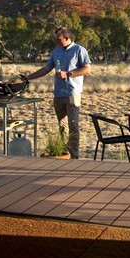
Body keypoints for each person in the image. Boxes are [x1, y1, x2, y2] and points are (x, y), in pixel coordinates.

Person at [25, 27, 92, 159]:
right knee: (62, 125)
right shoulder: (56, 52)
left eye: (59, 39)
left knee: (73, 125)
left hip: (73, 93)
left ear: (67, 38)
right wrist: (28, 77)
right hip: (58, 94)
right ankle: (63, 152)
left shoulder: (79, 50)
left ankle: (74, 155)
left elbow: (87, 70)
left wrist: (68, 74)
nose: (56, 41)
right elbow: (46, 68)